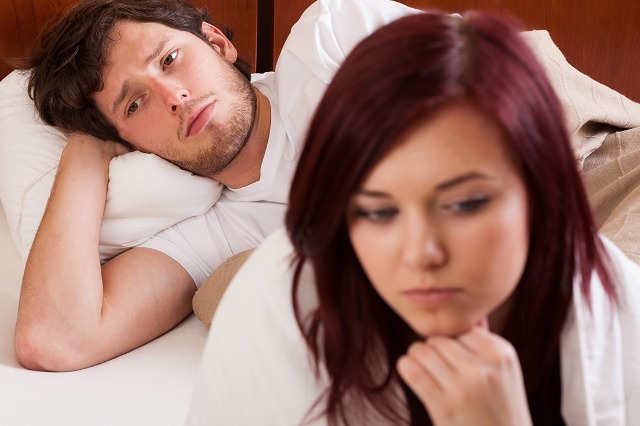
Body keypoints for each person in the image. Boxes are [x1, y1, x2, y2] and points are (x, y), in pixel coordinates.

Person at [186, 10, 640, 426]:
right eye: (379, 211)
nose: (421, 253)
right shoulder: (277, 310)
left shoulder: (613, 316)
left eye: (466, 205)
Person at [13, 0, 418, 371]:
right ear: (130, 144)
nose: (173, 96)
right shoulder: (212, 234)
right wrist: (85, 151)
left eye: (169, 59)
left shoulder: (328, 43)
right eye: (134, 104)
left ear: (217, 43)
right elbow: (56, 339)